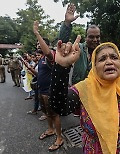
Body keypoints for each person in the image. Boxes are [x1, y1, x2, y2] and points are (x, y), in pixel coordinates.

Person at [49, 39, 120, 154]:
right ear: (94, 67)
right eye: (102, 59)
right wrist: (61, 67)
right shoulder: (83, 89)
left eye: (114, 57)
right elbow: (59, 106)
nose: (109, 62)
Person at [33, 23, 63, 152]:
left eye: (40, 43)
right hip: (41, 91)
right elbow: (40, 74)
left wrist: (37, 33)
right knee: (47, 113)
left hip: (50, 92)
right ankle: (50, 130)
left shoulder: (51, 56)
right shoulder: (41, 59)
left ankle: (59, 138)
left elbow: (47, 52)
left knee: (54, 114)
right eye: (37, 44)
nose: (38, 45)